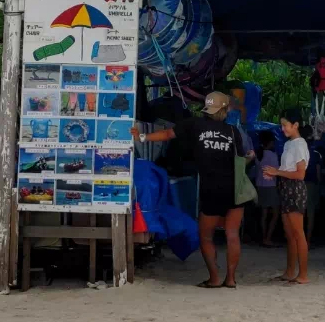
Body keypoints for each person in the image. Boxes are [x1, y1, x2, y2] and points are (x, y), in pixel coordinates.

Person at [134, 91, 242, 287]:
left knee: (206, 236)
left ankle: (215, 279)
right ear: (225, 110)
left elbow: (167, 134)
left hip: (211, 189)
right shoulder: (234, 132)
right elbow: (242, 160)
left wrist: (142, 136)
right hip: (235, 189)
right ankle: (231, 279)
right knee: (232, 234)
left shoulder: (194, 125)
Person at [263, 110, 312, 284]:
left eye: (285, 125)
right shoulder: (289, 144)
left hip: (294, 189)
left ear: (295, 125)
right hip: (285, 187)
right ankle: (290, 271)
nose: (282, 128)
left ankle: (303, 274)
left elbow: (300, 175)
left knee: (298, 234)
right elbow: (289, 170)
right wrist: (275, 174)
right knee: (290, 234)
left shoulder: (299, 145)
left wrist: (276, 172)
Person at [254, 129, 283, 248]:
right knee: (276, 214)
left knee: (264, 214)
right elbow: (277, 171)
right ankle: (268, 238)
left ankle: (263, 237)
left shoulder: (257, 154)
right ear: (270, 142)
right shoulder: (272, 155)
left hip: (260, 186)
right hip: (270, 186)